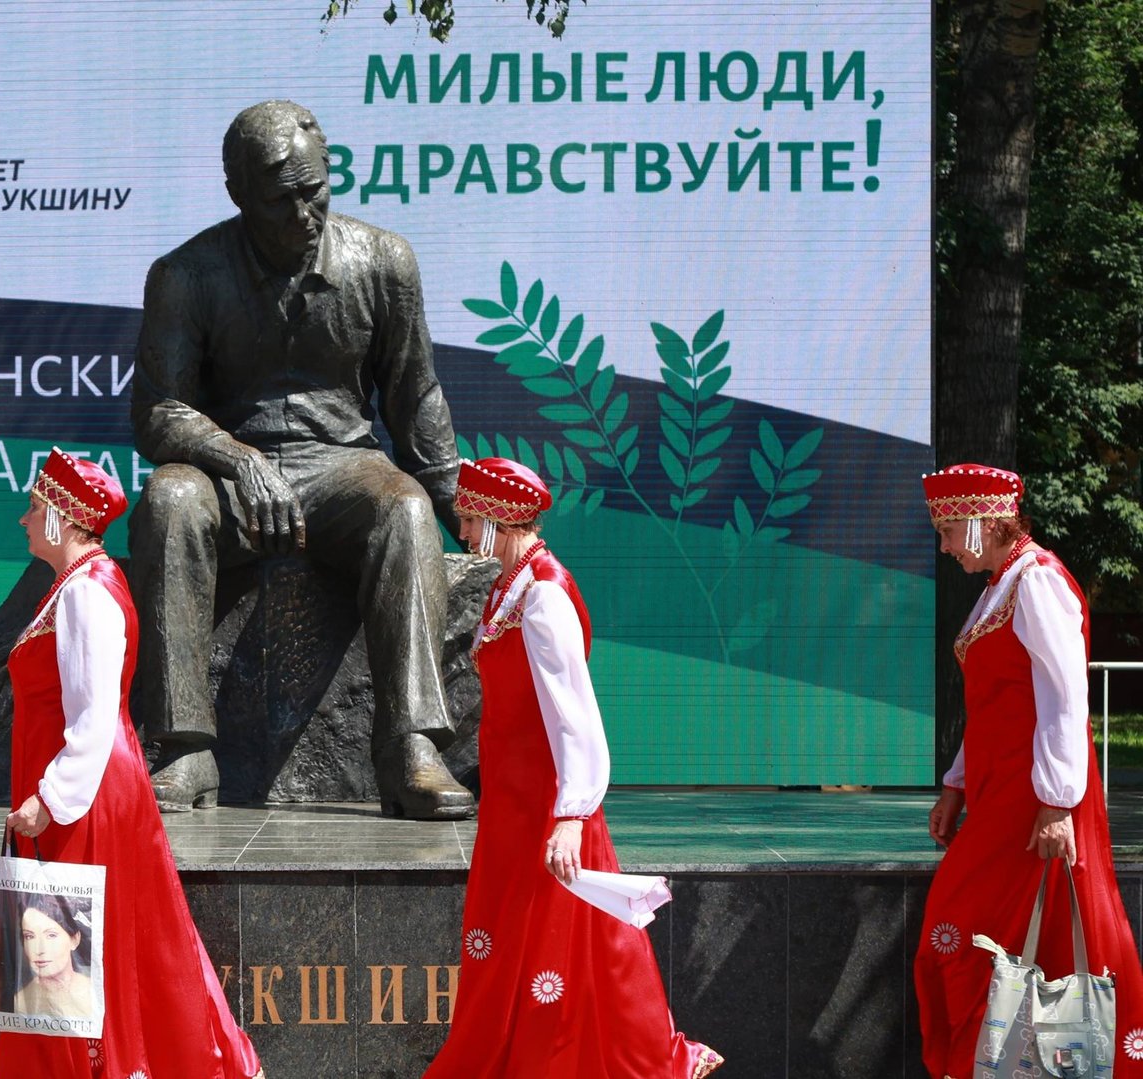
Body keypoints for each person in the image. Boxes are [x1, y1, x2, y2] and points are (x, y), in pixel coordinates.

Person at [128, 99, 470, 820]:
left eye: (314, 191)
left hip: (342, 465)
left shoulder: (383, 261)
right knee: (168, 497)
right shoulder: (186, 275)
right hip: (227, 475)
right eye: (280, 199)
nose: (302, 213)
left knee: (404, 508)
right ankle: (185, 747)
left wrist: (459, 507)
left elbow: (414, 393)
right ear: (238, 194)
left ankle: (410, 747)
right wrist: (237, 457)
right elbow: (158, 410)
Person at [423, 459, 722, 1079]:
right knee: (523, 941)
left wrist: (571, 815)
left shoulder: (543, 596)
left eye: (468, 515)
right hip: (513, 801)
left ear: (498, 519)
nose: (460, 525)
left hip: (544, 803)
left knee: (565, 948)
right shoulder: (513, 584)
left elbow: (576, 716)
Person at [0, 448, 263, 1079]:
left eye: (35, 509)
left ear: (64, 517)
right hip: (78, 788)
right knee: (68, 946)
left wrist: (50, 798)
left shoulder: (89, 594)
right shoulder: (73, 587)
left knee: (77, 948)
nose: (25, 520)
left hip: (84, 794)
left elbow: (94, 717)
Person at [914, 464, 1143, 1079]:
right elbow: (992, 704)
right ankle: (998, 1065)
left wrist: (1058, 801)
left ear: (979, 523)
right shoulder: (1001, 584)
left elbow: (1066, 695)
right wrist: (955, 785)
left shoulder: (1037, 581)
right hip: (1002, 790)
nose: (941, 545)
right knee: (983, 934)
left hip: (1031, 794)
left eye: (945, 529)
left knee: (958, 924)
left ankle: (992, 1064)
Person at [11, 893, 95, 1018]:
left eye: (51, 935)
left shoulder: (94, 993)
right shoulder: (21, 1002)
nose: (40, 949)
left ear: (74, 939)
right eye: (30, 936)